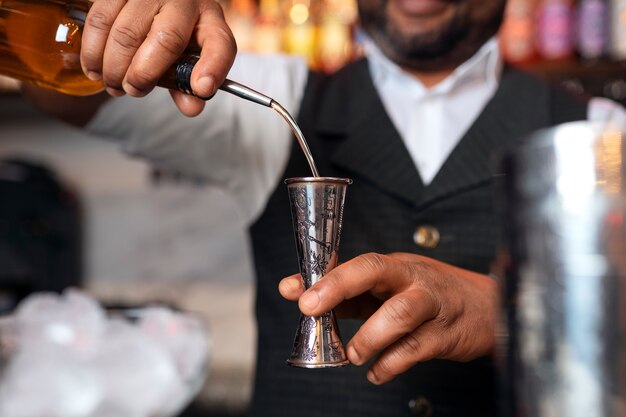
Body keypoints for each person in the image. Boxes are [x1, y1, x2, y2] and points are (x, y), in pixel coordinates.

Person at [21, 0, 626, 416]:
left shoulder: (602, 135)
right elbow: (64, 92)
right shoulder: (275, 98)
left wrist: (508, 316)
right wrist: (111, 16)